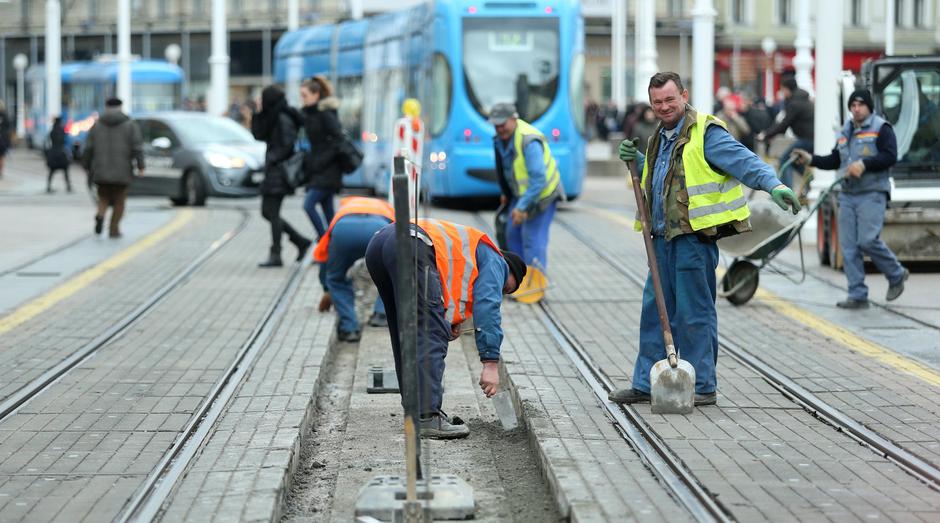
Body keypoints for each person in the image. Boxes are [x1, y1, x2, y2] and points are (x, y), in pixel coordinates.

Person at [610, 72, 800, 407]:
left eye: (670, 99)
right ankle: (646, 381)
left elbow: (744, 161)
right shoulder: (659, 137)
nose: (665, 107)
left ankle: (702, 385)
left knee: (694, 314)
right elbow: (658, 180)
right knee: (655, 311)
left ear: (684, 95)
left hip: (694, 241)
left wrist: (774, 185)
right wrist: (639, 161)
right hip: (662, 239)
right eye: (658, 102)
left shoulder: (705, 133)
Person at [365, 219, 527, 439]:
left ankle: (416, 411)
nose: (502, 290)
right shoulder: (496, 260)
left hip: (380, 243)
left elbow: (449, 285)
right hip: (413, 245)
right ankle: (426, 417)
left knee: (405, 329)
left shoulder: (472, 252)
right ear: (510, 270)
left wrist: (448, 322)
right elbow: (487, 307)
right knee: (430, 332)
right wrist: (490, 363)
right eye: (506, 287)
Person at [791, 89, 908, 309]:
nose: (856, 109)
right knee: (849, 247)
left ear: (869, 107)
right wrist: (812, 159)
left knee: (867, 240)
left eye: (860, 105)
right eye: (853, 105)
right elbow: (836, 159)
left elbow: (890, 156)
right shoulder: (846, 131)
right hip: (847, 195)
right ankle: (857, 294)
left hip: (872, 193)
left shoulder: (881, 128)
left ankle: (896, 273)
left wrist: (864, 165)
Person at [490, 102, 563, 304]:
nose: (499, 128)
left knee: (533, 239)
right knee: (511, 233)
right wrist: (507, 194)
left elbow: (538, 179)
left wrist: (522, 207)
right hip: (521, 195)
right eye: (495, 125)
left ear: (514, 119)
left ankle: (536, 288)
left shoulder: (529, 140)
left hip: (541, 196)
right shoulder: (502, 138)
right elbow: (506, 168)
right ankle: (518, 283)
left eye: (502, 124)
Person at [313, 196, 395, 342]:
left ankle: (349, 328)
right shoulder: (386, 208)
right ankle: (382, 314)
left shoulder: (343, 210)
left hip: (343, 230)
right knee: (390, 275)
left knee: (337, 280)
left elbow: (324, 258)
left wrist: (327, 288)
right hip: (377, 228)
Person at [251, 85, 312, 267]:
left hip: (279, 173)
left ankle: (277, 253)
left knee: (272, 212)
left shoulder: (283, 117)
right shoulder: (273, 115)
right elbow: (258, 134)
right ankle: (301, 242)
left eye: (263, 99)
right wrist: (257, 113)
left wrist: (272, 159)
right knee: (267, 212)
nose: (261, 101)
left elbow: (287, 144)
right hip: (274, 172)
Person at [82, 98, 144, 238]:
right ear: (121, 107)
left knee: (103, 197)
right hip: (122, 171)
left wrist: (86, 165)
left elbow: (88, 148)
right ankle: (113, 229)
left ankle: (100, 214)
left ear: (106, 107)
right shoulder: (130, 125)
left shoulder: (97, 125)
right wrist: (141, 166)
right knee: (119, 201)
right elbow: (137, 148)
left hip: (101, 170)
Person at [300, 76, 344, 239]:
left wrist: (321, 160)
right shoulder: (310, 114)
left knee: (308, 205)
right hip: (319, 170)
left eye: (304, 95)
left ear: (316, 94)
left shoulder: (325, 114)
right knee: (329, 212)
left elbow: (338, 139)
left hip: (328, 170)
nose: (302, 99)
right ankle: (333, 243)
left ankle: (324, 240)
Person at [756, 77, 814, 188]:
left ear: (787, 89)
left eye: (782, 90)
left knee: (785, 160)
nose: (782, 93)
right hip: (810, 138)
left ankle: (787, 192)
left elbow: (783, 124)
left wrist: (765, 135)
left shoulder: (795, 103)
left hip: (807, 139)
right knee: (795, 161)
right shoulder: (802, 99)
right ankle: (810, 183)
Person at [45, 117, 72, 193]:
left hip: (53, 153)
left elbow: (48, 141)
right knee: (65, 170)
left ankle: (48, 186)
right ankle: (68, 186)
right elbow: (64, 141)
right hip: (61, 153)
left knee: (52, 171)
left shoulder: (52, 131)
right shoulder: (62, 130)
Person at [0, 101, 10, 179]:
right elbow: (8, 128)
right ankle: (1, 172)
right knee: (1, 157)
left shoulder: (5, 115)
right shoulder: (5, 115)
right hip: (3, 139)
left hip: (2, 139)